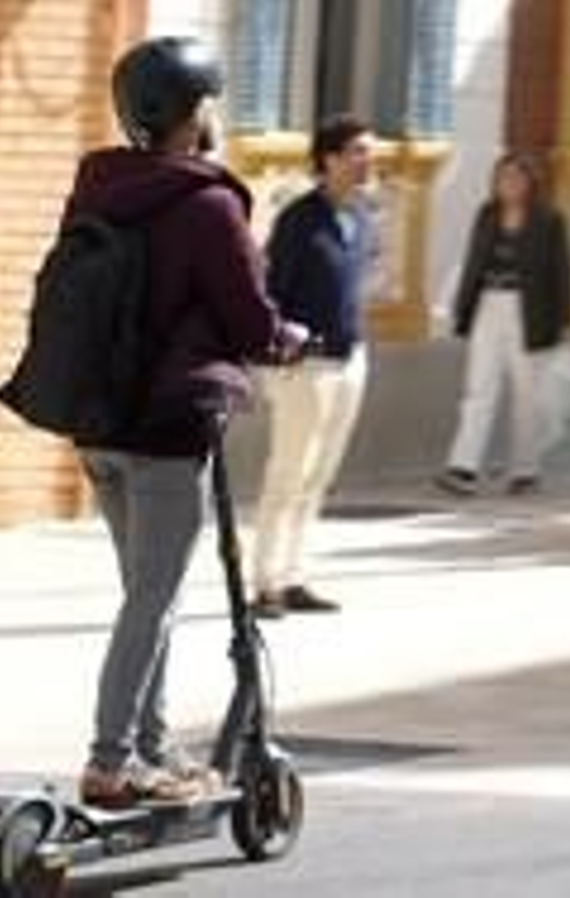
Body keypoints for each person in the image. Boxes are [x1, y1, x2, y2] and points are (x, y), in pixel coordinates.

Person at [72, 37, 306, 808]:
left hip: (99, 424)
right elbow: (248, 319)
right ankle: (111, 758)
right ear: (192, 111)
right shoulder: (207, 204)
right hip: (167, 433)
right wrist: (288, 339)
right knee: (153, 598)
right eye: (209, 100)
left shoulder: (99, 187)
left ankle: (148, 746)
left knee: (146, 591)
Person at [250, 114, 376, 619]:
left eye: (369, 152)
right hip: (306, 366)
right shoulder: (300, 219)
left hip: (349, 360)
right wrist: (277, 360)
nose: (368, 161)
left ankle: (296, 574)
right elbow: (272, 293)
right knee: (287, 473)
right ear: (329, 159)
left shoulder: (362, 218)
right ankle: (264, 583)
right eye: (358, 152)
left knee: (319, 476)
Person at [436, 153, 570, 497]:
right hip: (488, 305)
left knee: (527, 395)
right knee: (478, 388)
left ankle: (526, 469)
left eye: (515, 177)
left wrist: (561, 321)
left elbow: (560, 274)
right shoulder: (487, 215)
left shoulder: (549, 220)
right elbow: (472, 263)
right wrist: (462, 308)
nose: (508, 183)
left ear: (530, 182)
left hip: (530, 310)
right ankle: (462, 467)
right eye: (502, 177)